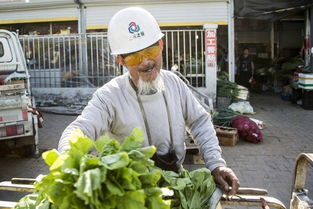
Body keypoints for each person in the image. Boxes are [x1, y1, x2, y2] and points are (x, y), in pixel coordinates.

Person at [58, 7, 239, 196]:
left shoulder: (174, 83)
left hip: (175, 183)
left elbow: (199, 122)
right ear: (121, 61)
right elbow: (80, 129)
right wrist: (67, 160)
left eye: (151, 51)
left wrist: (216, 164)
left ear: (161, 45)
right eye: (135, 56)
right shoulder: (109, 96)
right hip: (130, 194)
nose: (146, 62)